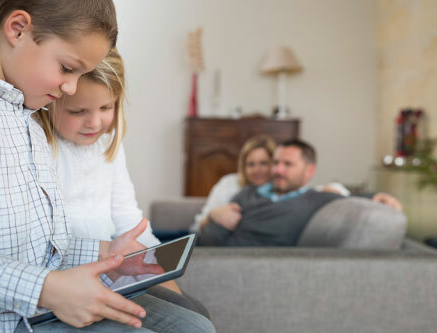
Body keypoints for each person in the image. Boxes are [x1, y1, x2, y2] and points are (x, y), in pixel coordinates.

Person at [0, 1, 215, 332]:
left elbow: (38, 250)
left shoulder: (29, 123)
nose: (71, 88)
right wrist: (48, 288)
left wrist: (106, 252)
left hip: (39, 305)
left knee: (194, 326)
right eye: (67, 68)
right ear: (18, 29)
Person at [35, 47, 209, 318]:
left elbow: (128, 219)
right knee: (186, 318)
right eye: (78, 110)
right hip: (70, 273)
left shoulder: (108, 143)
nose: (94, 122)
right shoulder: (43, 147)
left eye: (106, 107)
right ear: (52, 101)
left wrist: (156, 264)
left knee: (193, 308)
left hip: (114, 264)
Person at [198, 139, 402, 246]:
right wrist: (213, 217)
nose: (278, 170)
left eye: (288, 164)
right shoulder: (250, 191)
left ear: (309, 171)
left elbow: (346, 201)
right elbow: (210, 233)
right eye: (276, 163)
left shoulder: (314, 200)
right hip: (200, 246)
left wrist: (377, 196)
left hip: (229, 261)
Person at [190, 134, 276, 233]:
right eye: (251, 164)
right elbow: (196, 227)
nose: (257, 170)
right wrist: (213, 215)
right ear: (243, 166)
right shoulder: (228, 183)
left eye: (263, 163)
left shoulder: (281, 192)